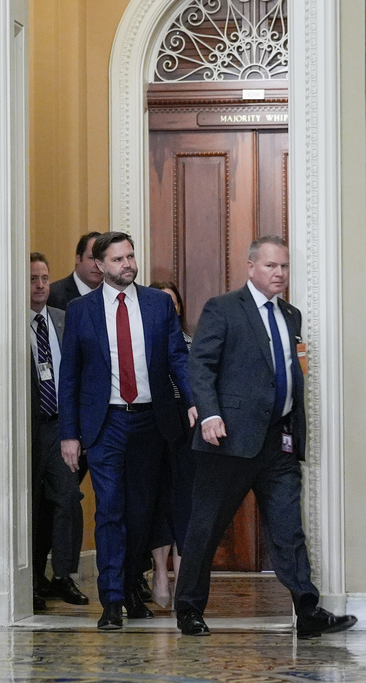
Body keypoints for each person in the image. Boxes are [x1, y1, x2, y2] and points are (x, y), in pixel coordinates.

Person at [174, 235, 358, 639]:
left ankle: (307, 611)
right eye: (272, 266)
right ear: (251, 267)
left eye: (285, 266)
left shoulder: (291, 315)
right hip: (227, 440)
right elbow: (199, 366)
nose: (280, 274)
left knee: (289, 528)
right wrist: (210, 413)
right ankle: (188, 609)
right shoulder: (223, 309)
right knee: (205, 527)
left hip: (279, 442)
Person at [58, 231, 196, 630]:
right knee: (110, 510)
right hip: (106, 424)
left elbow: (177, 360)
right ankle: (113, 601)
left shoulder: (157, 306)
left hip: (153, 421)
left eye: (131, 257)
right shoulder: (81, 310)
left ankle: (132, 585)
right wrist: (70, 434)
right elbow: (70, 377)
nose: (128, 265)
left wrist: (193, 403)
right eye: (118, 259)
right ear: (100, 265)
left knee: (142, 512)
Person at [27, 253, 87, 611]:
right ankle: (33, 580)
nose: (40, 286)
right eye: (33, 279)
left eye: (45, 278)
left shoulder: (63, 321)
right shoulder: (13, 324)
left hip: (61, 427)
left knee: (68, 500)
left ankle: (63, 575)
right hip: (28, 429)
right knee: (32, 507)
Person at [147, 280, 195, 609]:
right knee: (156, 496)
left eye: (172, 302)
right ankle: (159, 572)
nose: (167, 307)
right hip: (149, 423)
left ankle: (184, 573)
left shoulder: (192, 343)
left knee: (184, 497)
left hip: (186, 425)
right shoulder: (142, 343)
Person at [47, 231, 103, 310]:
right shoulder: (53, 295)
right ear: (78, 258)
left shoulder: (111, 296)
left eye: (102, 259)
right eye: (91, 258)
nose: (97, 265)